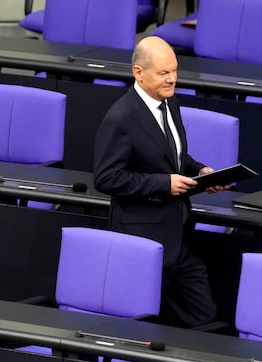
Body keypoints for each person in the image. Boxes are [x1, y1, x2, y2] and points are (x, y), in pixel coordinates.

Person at [93, 36, 229, 328]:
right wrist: (163, 184)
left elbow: (172, 155)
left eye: (175, 71)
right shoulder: (121, 117)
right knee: (144, 326)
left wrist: (201, 171)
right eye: (163, 73)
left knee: (204, 320)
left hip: (179, 239)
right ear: (138, 73)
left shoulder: (170, 103)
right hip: (143, 242)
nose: (172, 79)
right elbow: (106, 178)